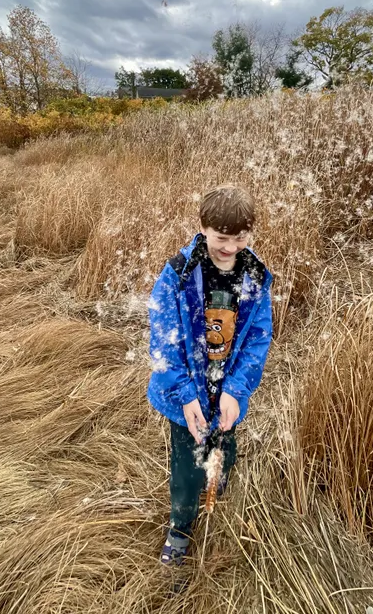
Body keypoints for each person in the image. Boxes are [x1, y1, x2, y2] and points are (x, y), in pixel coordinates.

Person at [147, 184, 273, 566]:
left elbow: (257, 339)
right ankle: (181, 528)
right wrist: (185, 394)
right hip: (186, 397)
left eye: (241, 237)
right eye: (222, 238)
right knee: (187, 467)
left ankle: (219, 483)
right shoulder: (178, 274)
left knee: (224, 445)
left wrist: (236, 390)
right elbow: (162, 342)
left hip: (229, 391)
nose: (232, 247)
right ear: (203, 227)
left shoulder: (255, 276)